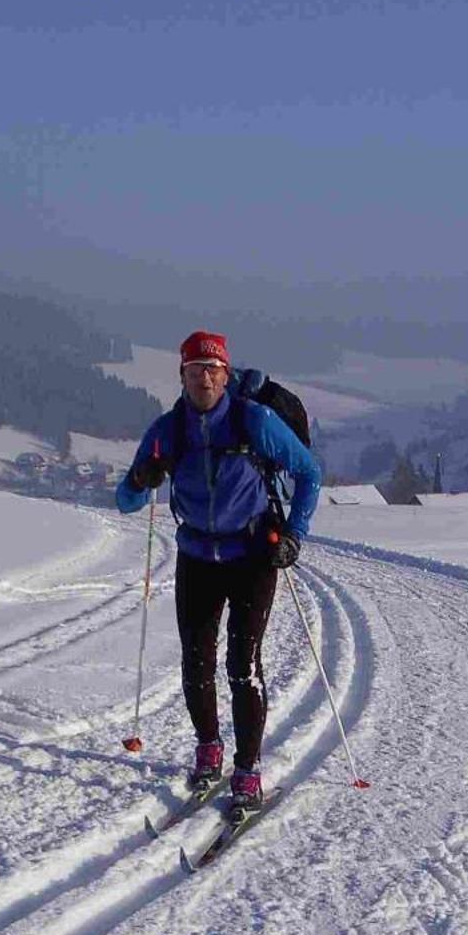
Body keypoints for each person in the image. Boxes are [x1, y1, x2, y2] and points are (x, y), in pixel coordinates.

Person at [114, 330, 322, 812]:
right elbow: (125, 501)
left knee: (241, 666)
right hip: (196, 557)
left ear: (226, 375)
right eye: (194, 369)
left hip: (252, 555)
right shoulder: (168, 430)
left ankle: (247, 772)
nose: (204, 377)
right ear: (182, 376)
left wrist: (294, 534)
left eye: (212, 369)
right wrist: (140, 479)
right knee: (196, 659)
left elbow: (309, 472)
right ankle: (209, 750)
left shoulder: (255, 420)